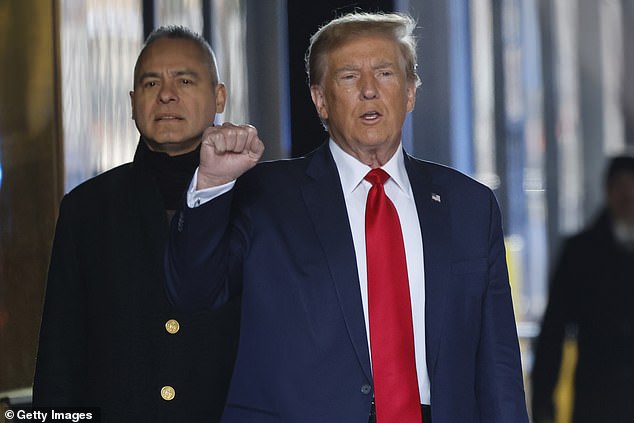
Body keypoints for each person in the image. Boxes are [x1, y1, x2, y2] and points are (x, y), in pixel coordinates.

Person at [166, 12, 529, 423]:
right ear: (320, 99)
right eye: (349, 77)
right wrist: (212, 182)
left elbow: (499, 365)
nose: (370, 90)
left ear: (410, 92)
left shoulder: (470, 206)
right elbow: (192, 291)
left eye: (386, 73)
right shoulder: (264, 195)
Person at [33, 26, 240, 422]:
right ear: (132, 103)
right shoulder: (86, 209)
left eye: (184, 79)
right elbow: (60, 359)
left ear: (219, 96)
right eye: (151, 83)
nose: (166, 94)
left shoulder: (257, 201)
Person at [531, 154, 634, 423]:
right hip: (599, 397)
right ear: (609, 193)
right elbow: (554, 327)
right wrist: (543, 397)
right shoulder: (581, 253)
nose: (628, 198)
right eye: (621, 188)